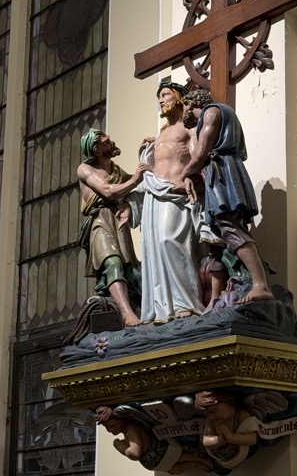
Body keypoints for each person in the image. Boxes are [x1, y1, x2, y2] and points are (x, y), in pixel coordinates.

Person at [180, 89, 275, 303]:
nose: (183, 111)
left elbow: (201, 151)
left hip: (223, 173)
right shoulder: (220, 112)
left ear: (191, 103)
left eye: (184, 105)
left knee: (230, 227)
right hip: (224, 172)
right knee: (223, 232)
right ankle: (223, 293)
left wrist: (185, 173)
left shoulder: (211, 113)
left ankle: (260, 285)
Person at [137, 81, 208, 323]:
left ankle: (185, 302)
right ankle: (162, 308)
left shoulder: (188, 129)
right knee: (154, 247)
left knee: (171, 241)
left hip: (176, 192)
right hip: (155, 192)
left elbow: (199, 157)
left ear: (178, 97)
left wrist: (189, 181)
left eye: (166, 95)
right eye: (160, 96)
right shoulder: (160, 134)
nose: (161, 100)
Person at [76, 129, 148, 326]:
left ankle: (137, 308)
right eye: (105, 141)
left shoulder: (115, 170)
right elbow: (107, 190)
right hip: (100, 221)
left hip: (117, 221)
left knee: (128, 268)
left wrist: (146, 154)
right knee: (113, 263)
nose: (111, 140)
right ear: (96, 149)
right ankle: (127, 314)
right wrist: (134, 180)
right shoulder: (84, 168)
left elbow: (139, 184)